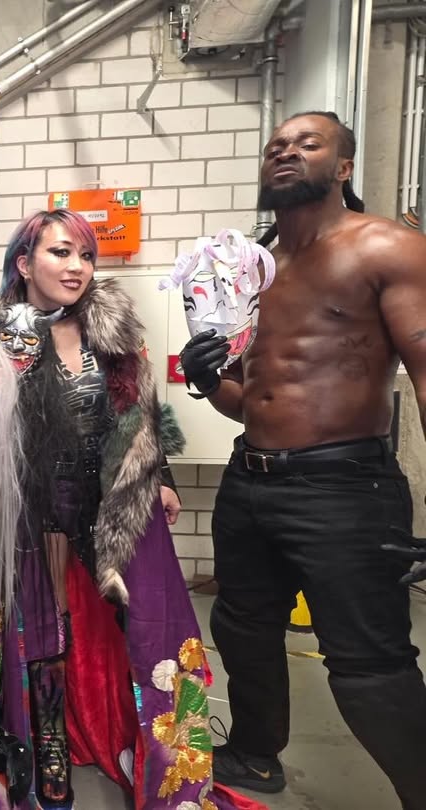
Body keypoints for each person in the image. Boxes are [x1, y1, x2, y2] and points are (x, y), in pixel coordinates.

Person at [0, 209, 261, 810]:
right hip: (33, 503)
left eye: (86, 255)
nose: (77, 267)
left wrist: (161, 477)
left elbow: (142, 411)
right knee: (42, 621)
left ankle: (149, 745)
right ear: (24, 263)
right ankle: (48, 743)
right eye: (61, 252)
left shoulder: (111, 325)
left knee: (147, 620)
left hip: (112, 496)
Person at [179, 111, 426, 808]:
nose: (286, 151)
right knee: (242, 628)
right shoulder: (251, 267)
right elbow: (256, 403)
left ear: (343, 167)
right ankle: (256, 756)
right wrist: (206, 379)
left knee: (369, 663)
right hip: (251, 480)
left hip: (345, 487)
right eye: (276, 145)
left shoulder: (387, 247)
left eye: (307, 143)